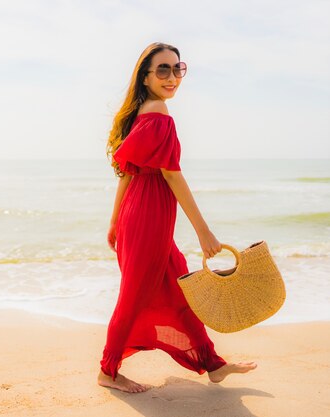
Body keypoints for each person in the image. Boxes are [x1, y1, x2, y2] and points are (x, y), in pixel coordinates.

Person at [97, 42, 257, 393]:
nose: (172, 77)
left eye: (177, 68)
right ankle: (107, 371)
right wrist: (204, 231)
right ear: (146, 76)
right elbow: (172, 175)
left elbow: (127, 172)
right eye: (163, 70)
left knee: (178, 288)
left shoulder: (142, 111)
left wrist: (114, 221)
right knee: (134, 294)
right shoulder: (159, 113)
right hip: (148, 214)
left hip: (139, 211)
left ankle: (212, 364)